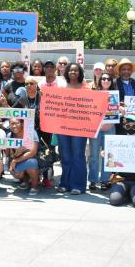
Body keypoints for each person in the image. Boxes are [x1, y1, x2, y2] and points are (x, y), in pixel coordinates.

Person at [56, 62, 88, 194]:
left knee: (78, 155)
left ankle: (78, 185)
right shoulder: (61, 88)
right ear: (67, 72)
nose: (73, 72)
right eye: (71, 70)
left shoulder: (86, 88)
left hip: (80, 127)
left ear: (80, 73)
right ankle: (65, 183)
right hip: (63, 126)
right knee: (65, 155)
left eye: (76, 71)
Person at [108, 116, 135, 209]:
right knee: (114, 200)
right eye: (128, 126)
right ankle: (127, 194)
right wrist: (107, 157)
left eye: (134, 126)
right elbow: (112, 162)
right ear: (124, 126)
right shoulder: (118, 141)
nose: (131, 129)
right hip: (121, 179)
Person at [88, 72, 116, 191]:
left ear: (111, 81)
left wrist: (120, 109)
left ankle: (105, 180)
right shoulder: (94, 94)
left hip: (110, 128)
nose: (105, 80)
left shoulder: (115, 95)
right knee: (94, 155)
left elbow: (116, 113)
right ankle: (93, 180)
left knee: (109, 155)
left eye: (108, 79)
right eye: (103, 78)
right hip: (96, 128)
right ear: (100, 81)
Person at [8, 118, 40, 195]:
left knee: (31, 162)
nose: (14, 126)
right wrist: (16, 155)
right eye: (11, 124)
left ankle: (34, 186)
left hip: (33, 159)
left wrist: (16, 161)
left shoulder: (31, 132)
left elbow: (33, 152)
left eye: (16, 123)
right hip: (19, 159)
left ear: (22, 124)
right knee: (17, 175)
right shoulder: (10, 135)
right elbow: (11, 155)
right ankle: (25, 180)